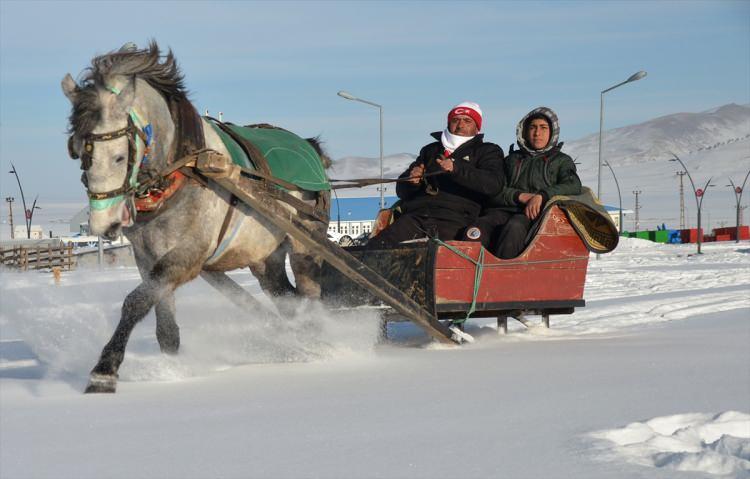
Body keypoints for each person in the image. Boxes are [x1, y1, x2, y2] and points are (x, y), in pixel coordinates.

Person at [368, 102, 504, 248]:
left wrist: (456, 169)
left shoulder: (487, 151)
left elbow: (493, 185)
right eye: (455, 120)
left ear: (477, 127)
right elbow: (401, 192)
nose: (460, 125)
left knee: (440, 258)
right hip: (417, 217)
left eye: (467, 121)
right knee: (375, 248)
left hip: (457, 220)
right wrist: (412, 182)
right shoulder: (430, 150)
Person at [478, 106, 581, 258]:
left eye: (543, 128)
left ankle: (504, 276)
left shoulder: (561, 161)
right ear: (524, 131)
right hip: (504, 209)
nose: (537, 133)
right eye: (532, 127)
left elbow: (573, 185)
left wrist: (542, 196)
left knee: (515, 227)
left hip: (537, 215)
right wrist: (518, 196)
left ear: (552, 132)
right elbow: (495, 189)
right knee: (478, 228)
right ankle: (466, 274)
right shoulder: (511, 159)